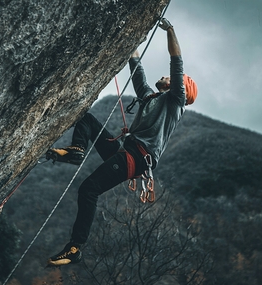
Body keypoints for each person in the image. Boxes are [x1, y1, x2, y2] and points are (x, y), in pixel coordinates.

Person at [45, 18, 198, 266]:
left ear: (181, 88)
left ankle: (75, 247)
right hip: (127, 150)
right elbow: (137, 68)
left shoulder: (175, 102)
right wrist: (130, 31)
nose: (164, 76)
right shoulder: (150, 98)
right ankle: (76, 151)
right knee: (86, 119)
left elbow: (176, 63)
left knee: (88, 189)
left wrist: (170, 30)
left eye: (169, 79)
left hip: (136, 158)